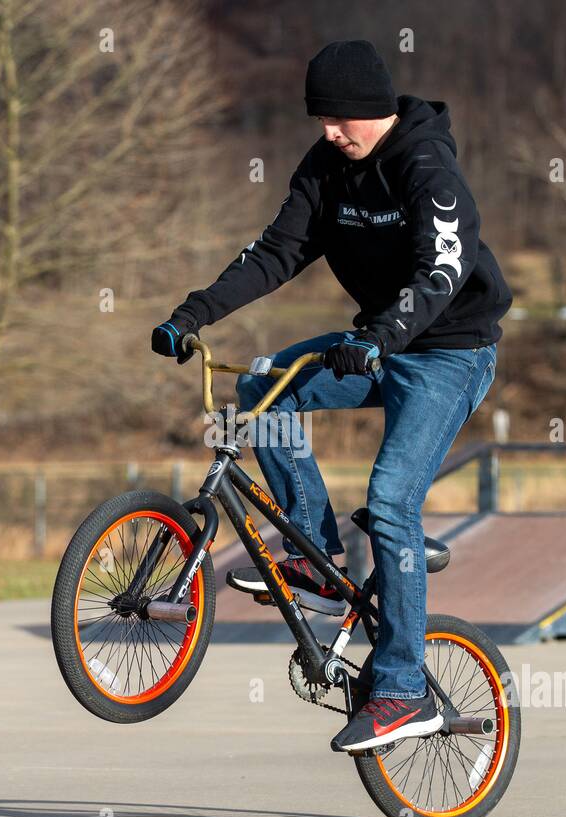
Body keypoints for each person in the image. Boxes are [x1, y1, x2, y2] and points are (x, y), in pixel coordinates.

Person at [150, 40, 512, 752]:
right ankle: (316, 555)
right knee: (262, 389)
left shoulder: (426, 166)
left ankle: (405, 688)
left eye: (338, 121)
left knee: (389, 503)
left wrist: (383, 334)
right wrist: (192, 313)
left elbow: (443, 270)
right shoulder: (324, 172)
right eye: (319, 120)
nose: (327, 132)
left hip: (450, 352)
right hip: (375, 345)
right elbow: (275, 253)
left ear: (371, 111)